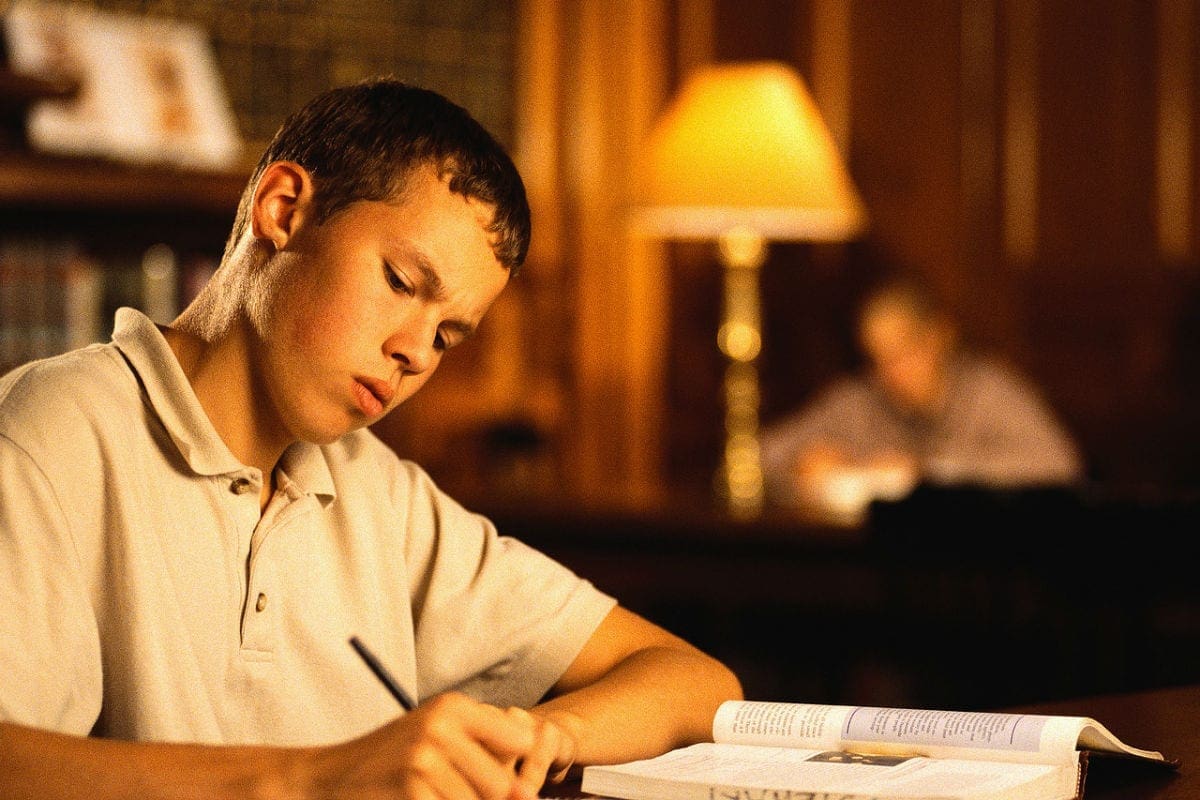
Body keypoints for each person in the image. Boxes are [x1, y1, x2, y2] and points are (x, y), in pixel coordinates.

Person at [0, 78, 742, 799]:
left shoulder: (378, 494)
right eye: (400, 281)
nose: (418, 353)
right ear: (283, 209)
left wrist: (532, 739)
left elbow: (694, 682)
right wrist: (313, 781)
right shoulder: (49, 433)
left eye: (449, 335)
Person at [761, 277, 1084, 516]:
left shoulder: (987, 391)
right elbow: (761, 454)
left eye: (903, 353)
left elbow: (1056, 466)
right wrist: (801, 464)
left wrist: (929, 475)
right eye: (879, 359)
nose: (891, 372)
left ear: (939, 336)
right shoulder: (860, 399)